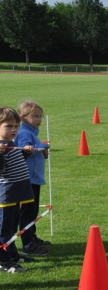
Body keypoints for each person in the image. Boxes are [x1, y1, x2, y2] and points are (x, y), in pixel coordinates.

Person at [0, 107, 36, 274]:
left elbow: (15, 162)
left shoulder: (11, 143)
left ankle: (13, 255)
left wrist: (26, 153)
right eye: (8, 126)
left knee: (12, 228)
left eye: (16, 126)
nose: (14, 130)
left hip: (17, 192)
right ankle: (4, 261)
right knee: (4, 230)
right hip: (6, 195)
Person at [16, 100, 51, 257]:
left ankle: (32, 237)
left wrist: (41, 151)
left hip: (34, 178)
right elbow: (25, 150)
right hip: (28, 178)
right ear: (23, 117)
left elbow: (34, 150)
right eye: (35, 116)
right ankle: (28, 244)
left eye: (40, 116)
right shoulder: (24, 132)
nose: (39, 119)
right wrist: (41, 147)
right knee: (29, 211)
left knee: (33, 210)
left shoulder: (31, 132)